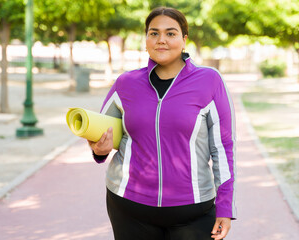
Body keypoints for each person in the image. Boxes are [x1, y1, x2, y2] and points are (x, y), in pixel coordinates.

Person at [88, 6, 236, 240]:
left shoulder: (209, 81)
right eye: (154, 33)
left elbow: (223, 147)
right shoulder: (125, 83)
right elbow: (101, 132)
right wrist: (98, 150)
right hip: (129, 207)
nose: (161, 40)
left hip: (193, 209)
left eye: (171, 33)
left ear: (184, 39)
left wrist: (226, 208)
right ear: (146, 39)